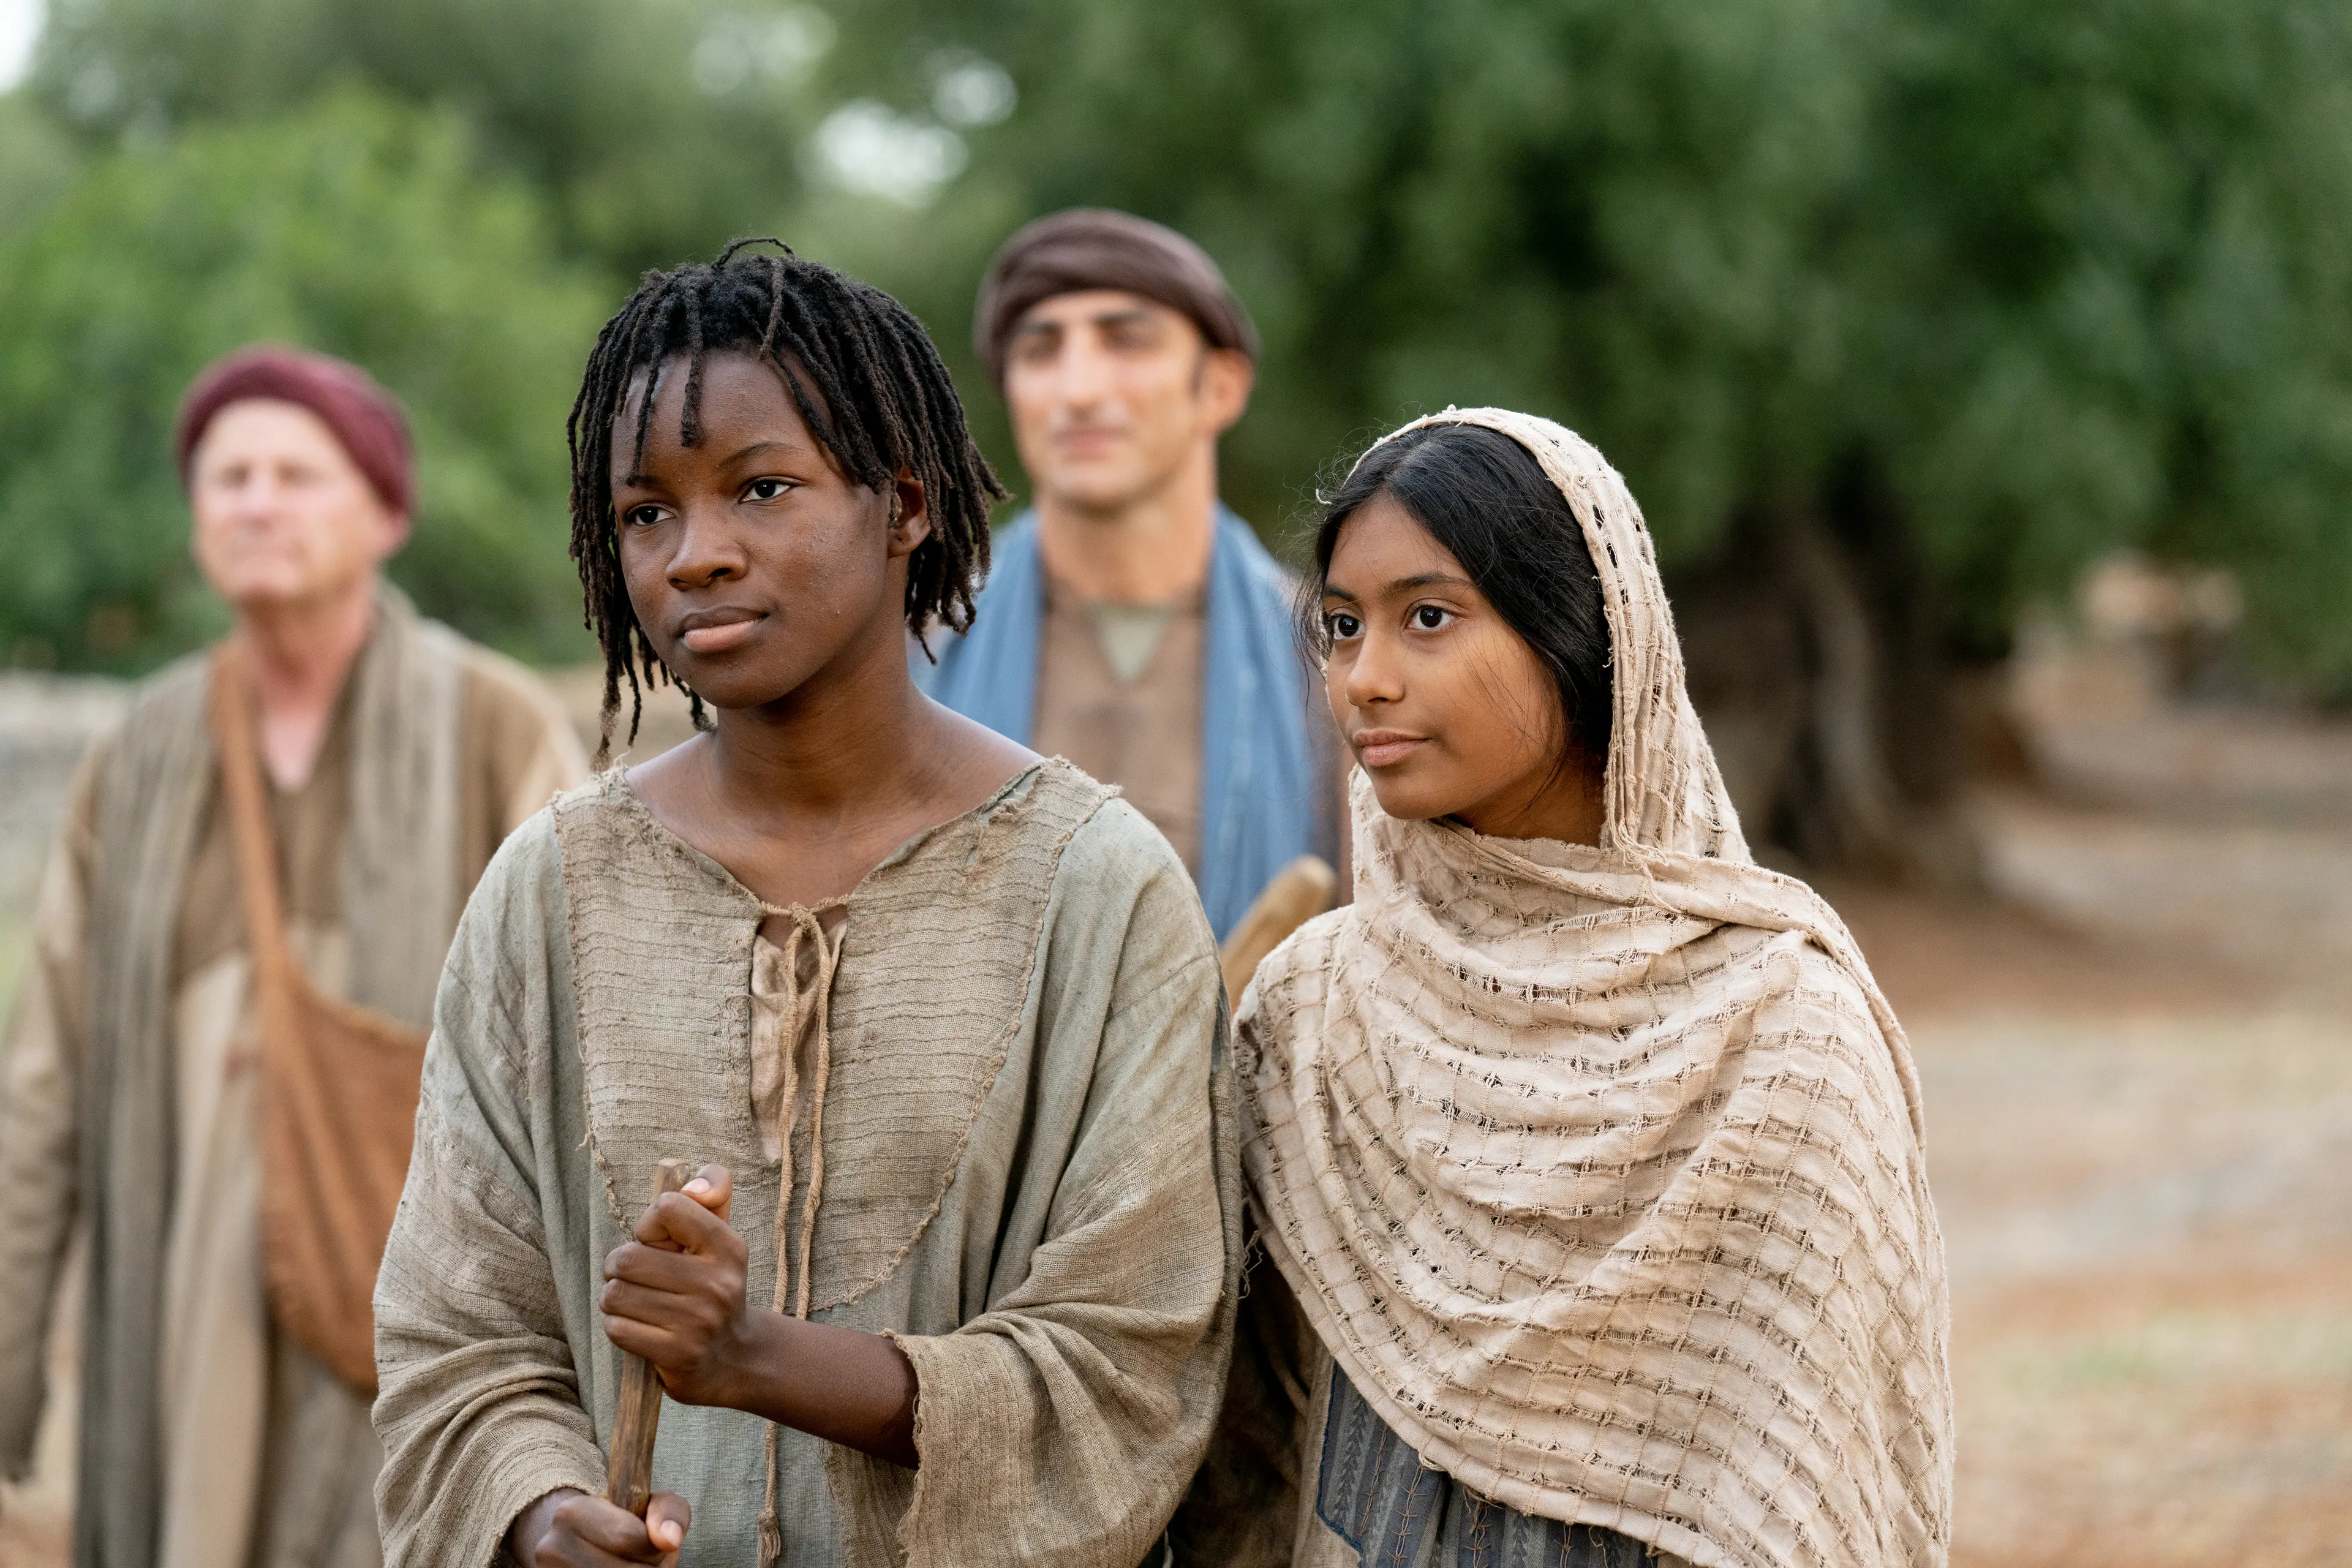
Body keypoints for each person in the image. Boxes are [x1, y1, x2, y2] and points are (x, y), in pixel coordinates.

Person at [370, 241, 1239, 1568]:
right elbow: (458, 1330)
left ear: (904, 505)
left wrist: (764, 1356)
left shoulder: (1093, 888)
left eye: (761, 489)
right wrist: (542, 1512)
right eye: (646, 512)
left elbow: (1137, 1360)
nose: (697, 556)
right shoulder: (553, 886)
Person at [1183, 409, 1953, 1567]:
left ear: (1585, 635)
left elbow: (1813, 1487)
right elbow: (1243, 1446)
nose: (1364, 680)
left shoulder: (1781, 1028)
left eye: (1428, 618)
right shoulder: (1309, 1010)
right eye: (1342, 627)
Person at [0, 345, 588, 1568]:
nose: (258, 502)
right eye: (229, 478)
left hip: (421, 1283)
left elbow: (592, 1038)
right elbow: (43, 1084)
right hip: (179, 1293)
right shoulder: (143, 751)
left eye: (296, 473)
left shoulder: (492, 726)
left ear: (385, 510)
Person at [920, 208, 1336, 940]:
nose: (1078, 388)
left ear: (1221, 387)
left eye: (1126, 341)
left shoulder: (1331, 662)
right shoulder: (915, 653)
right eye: (1041, 351)